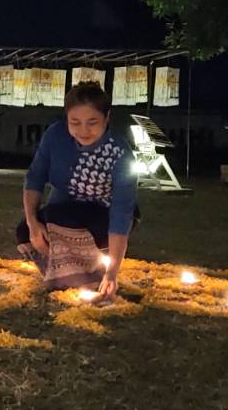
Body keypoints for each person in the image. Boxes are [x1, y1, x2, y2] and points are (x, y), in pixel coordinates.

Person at [17, 80, 139, 299]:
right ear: (66, 118)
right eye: (75, 122)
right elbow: (35, 178)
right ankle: (71, 275)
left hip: (103, 218)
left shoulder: (119, 153)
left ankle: (90, 276)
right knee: (26, 231)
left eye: (92, 122)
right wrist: (32, 224)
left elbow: (121, 214)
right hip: (63, 212)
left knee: (61, 221)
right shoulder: (56, 136)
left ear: (107, 118)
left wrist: (112, 272)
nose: (84, 130)